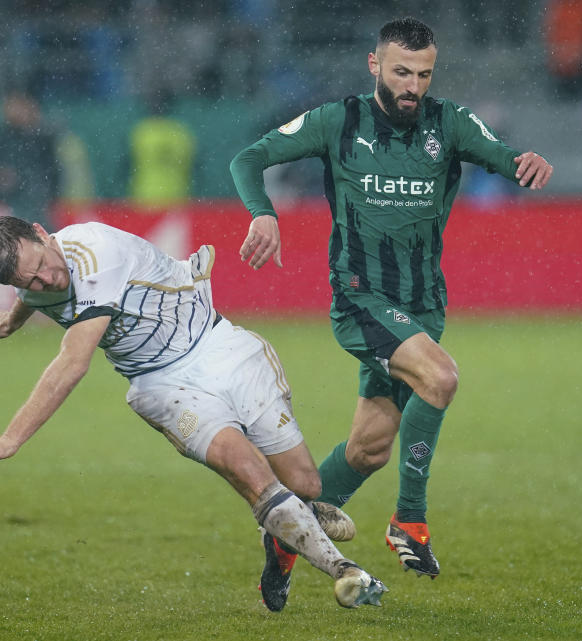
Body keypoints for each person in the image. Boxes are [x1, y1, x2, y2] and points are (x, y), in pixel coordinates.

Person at [230, 17, 552, 589]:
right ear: (374, 64)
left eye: (424, 74)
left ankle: (286, 535)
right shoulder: (339, 121)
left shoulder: (448, 122)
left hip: (423, 306)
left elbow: (506, 158)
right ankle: (410, 520)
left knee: (369, 449)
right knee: (442, 378)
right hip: (361, 298)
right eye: (402, 71)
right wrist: (262, 212)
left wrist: (528, 163)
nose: (413, 86)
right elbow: (247, 159)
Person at [0, 216, 387, 612]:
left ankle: (282, 534)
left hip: (220, 348)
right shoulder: (30, 280)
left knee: (304, 484)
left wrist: (10, 438)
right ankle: (346, 572)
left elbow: (72, 362)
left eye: (43, 263)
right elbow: (30, 294)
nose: (47, 279)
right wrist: (12, 322)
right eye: (29, 279)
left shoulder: (95, 252)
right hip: (162, 387)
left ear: (43, 232)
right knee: (244, 468)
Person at [0, 91, 61, 228]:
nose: (17, 112)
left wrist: (48, 190)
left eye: (22, 107)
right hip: (10, 201)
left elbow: (53, 169)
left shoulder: (41, 137)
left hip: (38, 198)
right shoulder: (0, 139)